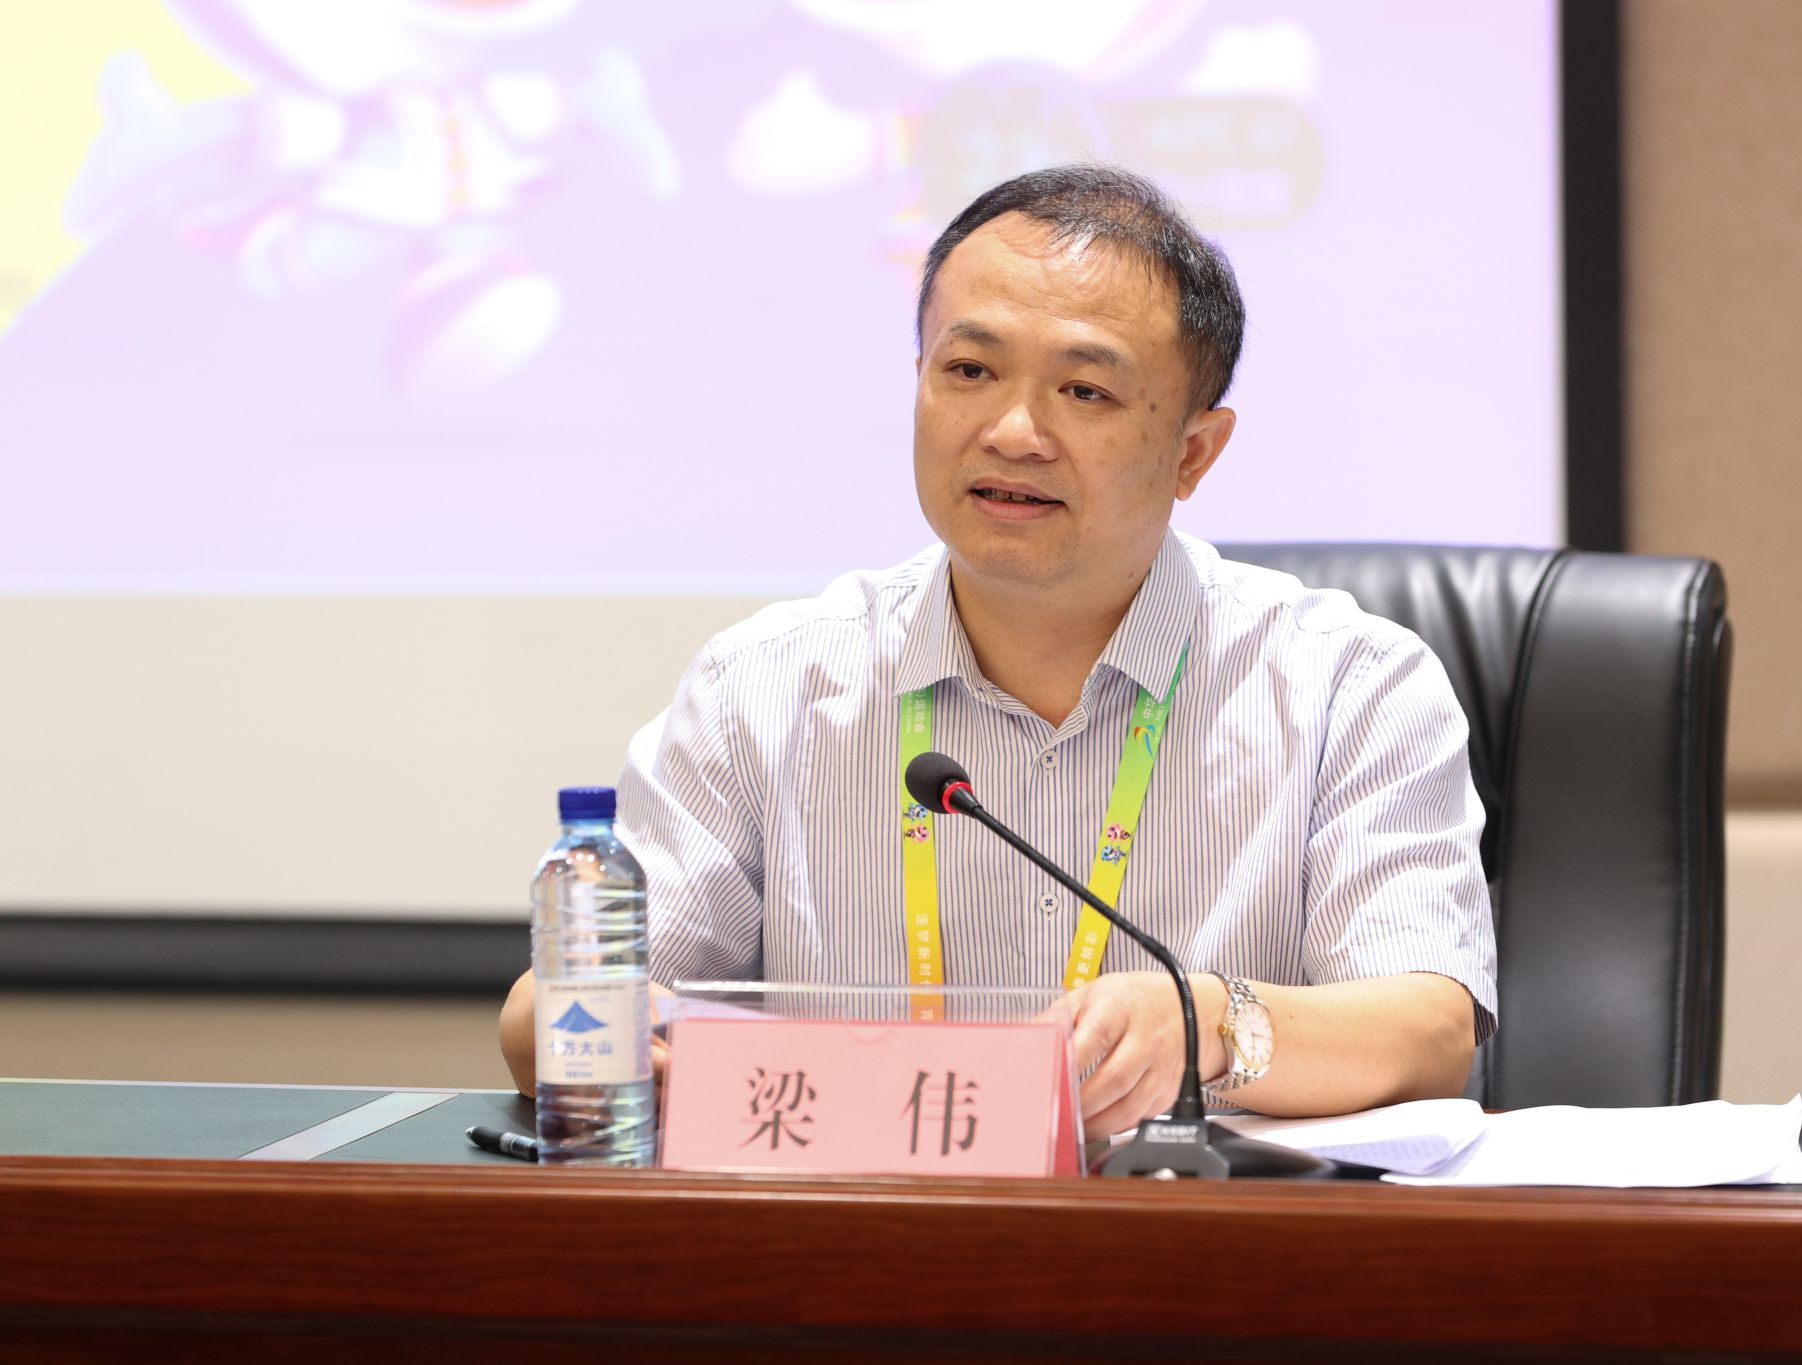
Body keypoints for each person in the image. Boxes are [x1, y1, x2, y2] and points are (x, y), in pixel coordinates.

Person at [501, 165, 1497, 1141]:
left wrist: (1207, 1022)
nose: (1013, 432)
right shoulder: (765, 685)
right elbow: (548, 1008)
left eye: (1085, 390)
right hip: (859, 1226)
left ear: (1193, 452)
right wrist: (624, 1044)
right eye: (969, 372)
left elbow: (1427, 1031)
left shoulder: (1349, 686)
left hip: (1190, 1232)